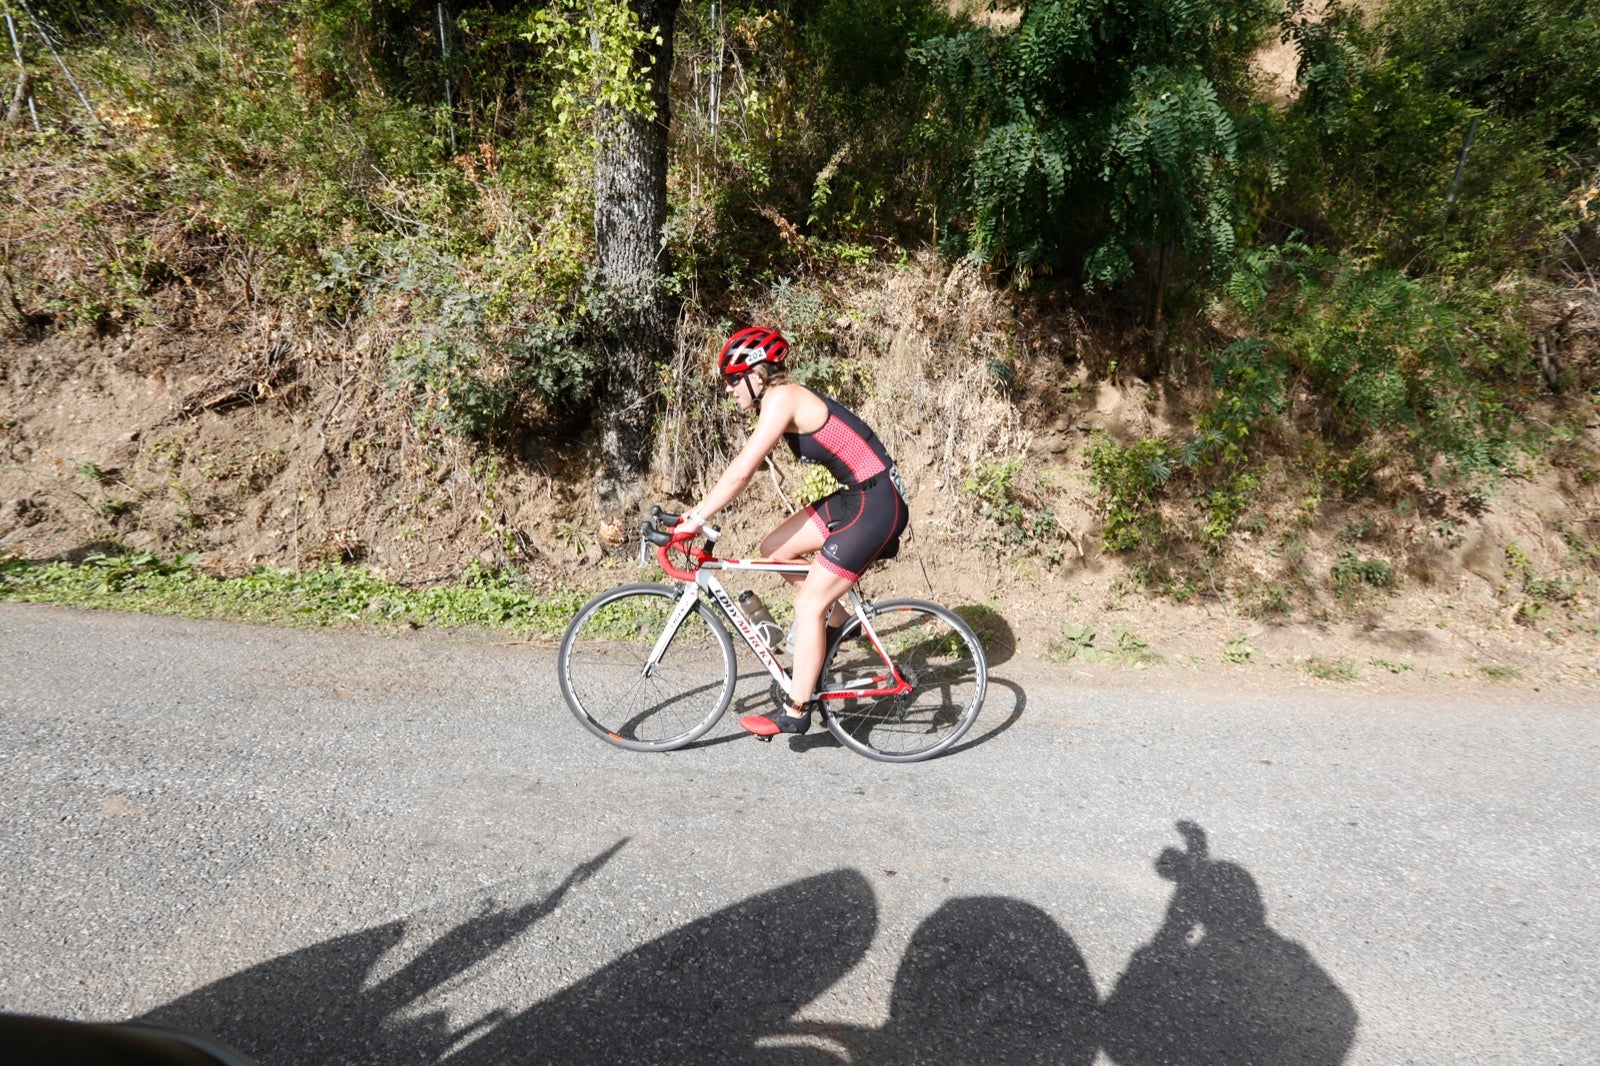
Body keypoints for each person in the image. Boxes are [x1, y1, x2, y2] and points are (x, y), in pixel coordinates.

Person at [674, 326, 908, 737]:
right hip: (858, 496)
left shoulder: (782, 397)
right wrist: (697, 513)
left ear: (757, 375)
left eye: (733, 379)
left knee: (808, 605)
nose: (728, 389)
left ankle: (797, 710)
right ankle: (837, 624)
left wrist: (697, 517)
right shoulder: (779, 399)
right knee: (775, 548)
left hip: (877, 503)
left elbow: (743, 469)